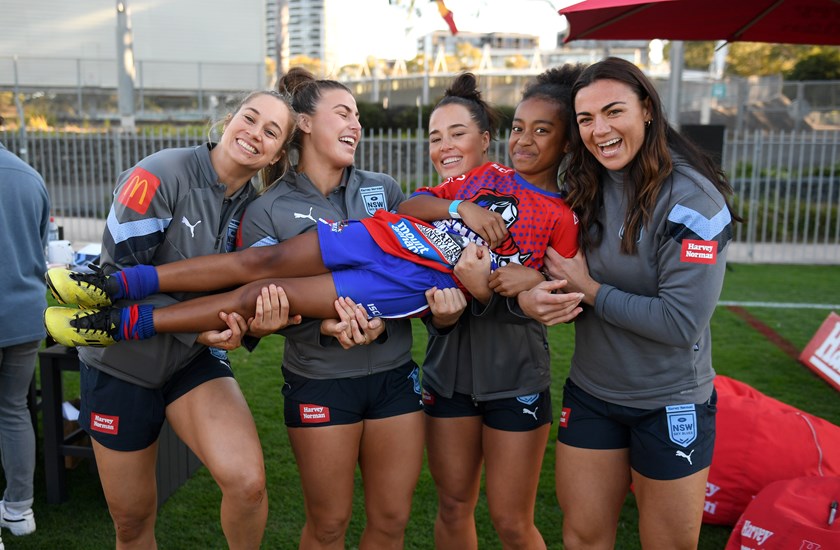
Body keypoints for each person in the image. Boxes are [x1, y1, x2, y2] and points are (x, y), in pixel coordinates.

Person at [59, 89, 299, 549]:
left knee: (248, 485)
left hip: (191, 360)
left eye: (271, 131)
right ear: (229, 120)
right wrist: (203, 321)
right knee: (132, 523)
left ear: (279, 152)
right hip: (120, 363)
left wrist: (246, 326)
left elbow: (239, 296)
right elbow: (110, 289)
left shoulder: (256, 210)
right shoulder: (161, 174)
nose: (255, 134)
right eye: (250, 119)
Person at [545, 57, 739, 549]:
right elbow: (557, 271)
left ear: (647, 110)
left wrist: (589, 291)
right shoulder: (580, 189)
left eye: (613, 112)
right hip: (592, 394)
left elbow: (680, 323)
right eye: (586, 119)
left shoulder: (695, 202)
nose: (599, 130)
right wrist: (538, 295)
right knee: (583, 537)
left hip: (670, 404)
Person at [240, 68, 426, 549]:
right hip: (319, 381)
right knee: (328, 526)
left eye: (358, 117)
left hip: (394, 377)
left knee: (391, 520)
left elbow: (412, 273)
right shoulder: (267, 210)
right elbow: (257, 307)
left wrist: (381, 319)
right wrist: (323, 326)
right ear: (303, 123)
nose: (356, 125)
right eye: (343, 113)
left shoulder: (383, 190)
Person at [412, 68, 584, 549]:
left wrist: (535, 281)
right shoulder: (480, 179)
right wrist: (459, 209)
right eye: (518, 128)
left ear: (568, 142)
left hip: (516, 377)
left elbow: (569, 295)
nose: (524, 140)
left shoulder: (566, 213)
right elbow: (409, 206)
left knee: (511, 521)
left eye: (542, 130)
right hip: (448, 373)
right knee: (452, 507)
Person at [0, 140, 49, 541]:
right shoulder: (29, 176)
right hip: (24, 315)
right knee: (14, 409)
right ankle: (19, 509)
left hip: (20, 313)